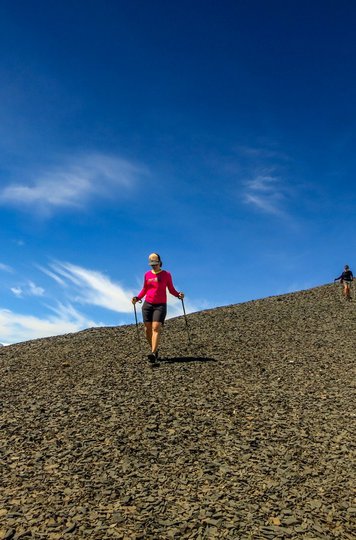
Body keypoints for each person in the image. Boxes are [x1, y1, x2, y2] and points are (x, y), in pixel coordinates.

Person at [132, 253, 184, 362]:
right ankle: (155, 350)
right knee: (147, 330)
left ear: (160, 262)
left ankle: (153, 354)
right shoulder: (147, 275)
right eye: (152, 264)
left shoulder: (166, 274)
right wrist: (137, 298)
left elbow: (171, 289)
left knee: (155, 328)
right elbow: (144, 289)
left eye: (155, 264)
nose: (154, 266)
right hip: (147, 304)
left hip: (160, 305)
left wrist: (178, 295)